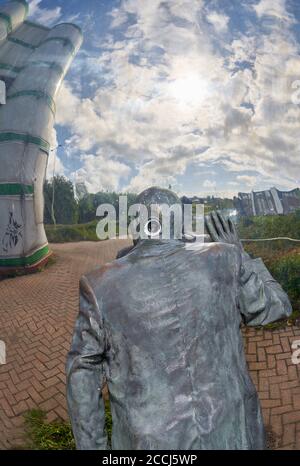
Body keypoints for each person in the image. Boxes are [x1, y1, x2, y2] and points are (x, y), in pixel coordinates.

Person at [66, 187, 292, 450]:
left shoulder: (100, 285)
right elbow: (278, 306)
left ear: (135, 227)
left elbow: (81, 375)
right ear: (180, 224)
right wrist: (241, 253)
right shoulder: (225, 257)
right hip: (233, 432)